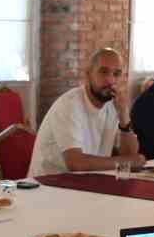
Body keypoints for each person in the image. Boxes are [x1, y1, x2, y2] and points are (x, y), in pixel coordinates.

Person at [28, 48, 144, 177]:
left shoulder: (114, 105)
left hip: (87, 184)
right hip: (47, 187)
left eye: (116, 74)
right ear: (88, 74)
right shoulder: (70, 104)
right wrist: (126, 161)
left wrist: (124, 115)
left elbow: (130, 158)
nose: (110, 80)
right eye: (103, 72)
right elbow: (75, 163)